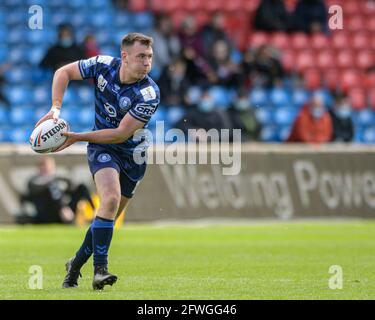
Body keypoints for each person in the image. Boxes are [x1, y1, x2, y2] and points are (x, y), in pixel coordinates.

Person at [35, 33, 160, 290]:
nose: (147, 63)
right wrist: (55, 109)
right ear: (124, 57)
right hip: (103, 148)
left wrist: (77, 137)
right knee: (110, 199)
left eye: (149, 57)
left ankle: (75, 264)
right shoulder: (103, 65)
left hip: (133, 156)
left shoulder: (149, 93)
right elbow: (63, 72)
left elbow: (120, 134)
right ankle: (100, 271)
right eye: (141, 57)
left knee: (106, 218)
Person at [18, 157, 94, 224]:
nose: (48, 169)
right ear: (39, 168)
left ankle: (94, 212)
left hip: (63, 212)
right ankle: (64, 211)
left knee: (82, 187)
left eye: (49, 166)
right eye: (45, 166)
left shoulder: (59, 178)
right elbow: (31, 192)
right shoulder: (34, 181)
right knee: (53, 186)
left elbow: (72, 187)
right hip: (46, 213)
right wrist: (62, 207)